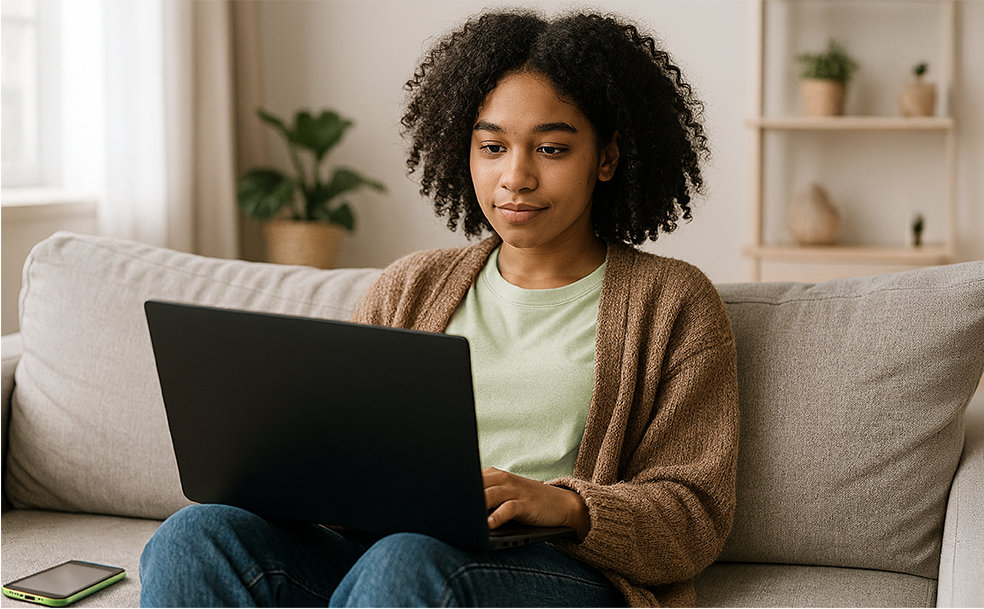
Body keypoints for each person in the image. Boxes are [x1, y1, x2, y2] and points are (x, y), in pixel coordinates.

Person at [140, 9, 738, 608]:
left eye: (552, 149)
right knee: (195, 535)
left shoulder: (674, 303)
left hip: (551, 569)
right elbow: (347, 455)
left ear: (606, 159)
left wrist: (568, 504)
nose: (516, 177)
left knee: (406, 562)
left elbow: (693, 517)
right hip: (383, 554)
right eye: (493, 147)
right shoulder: (411, 285)